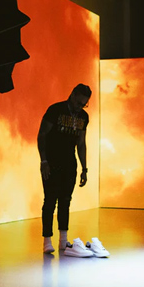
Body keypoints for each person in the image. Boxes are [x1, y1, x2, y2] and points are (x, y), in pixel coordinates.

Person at [37, 84, 91, 256]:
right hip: (51, 163)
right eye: (78, 102)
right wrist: (44, 160)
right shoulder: (55, 110)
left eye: (84, 104)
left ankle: (63, 240)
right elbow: (42, 135)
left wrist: (84, 168)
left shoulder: (83, 116)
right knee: (50, 201)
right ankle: (47, 240)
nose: (79, 107)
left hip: (70, 164)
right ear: (72, 95)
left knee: (65, 201)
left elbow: (81, 143)